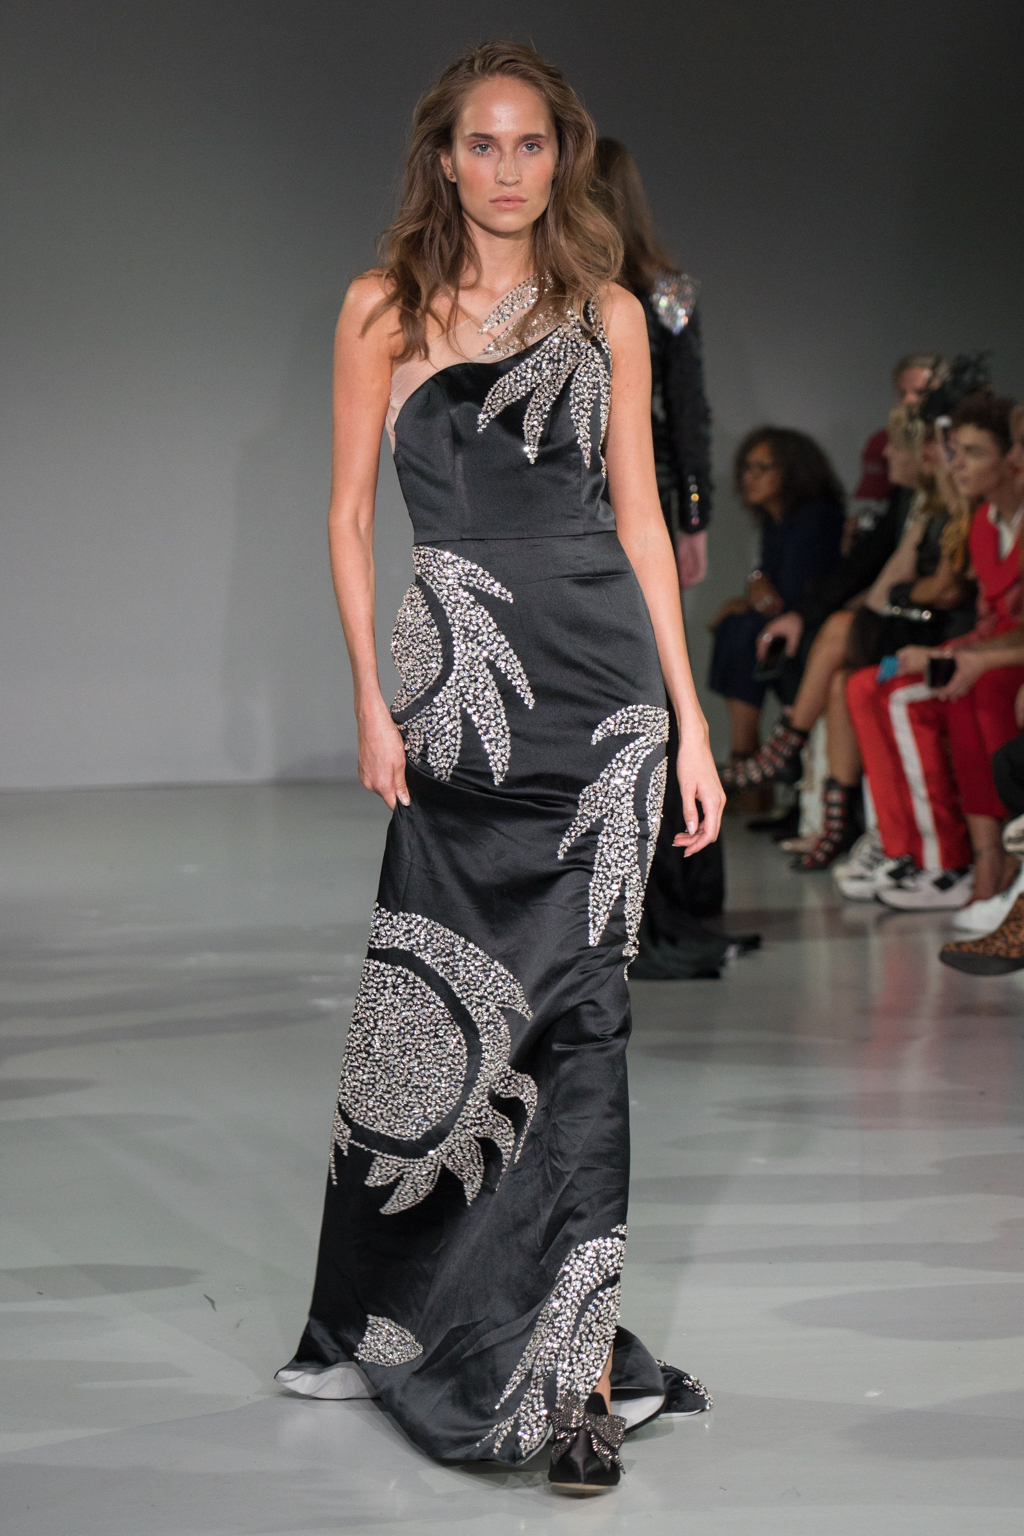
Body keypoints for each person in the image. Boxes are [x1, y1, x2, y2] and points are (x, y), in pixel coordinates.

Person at [275, 42, 722, 1495]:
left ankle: (576, 1383)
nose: (510, 168)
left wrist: (690, 720)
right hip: (459, 698)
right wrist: (369, 697)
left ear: (562, 157)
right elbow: (348, 517)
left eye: (533, 144)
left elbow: (642, 523)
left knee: (584, 1024)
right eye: (485, 143)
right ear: (444, 157)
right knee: (430, 1002)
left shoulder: (609, 313)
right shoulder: (380, 308)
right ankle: (375, 1312)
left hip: (603, 699)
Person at [592, 137, 735, 978]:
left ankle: (633, 897)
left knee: (622, 690)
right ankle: (664, 892)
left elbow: (681, 408)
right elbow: (689, 413)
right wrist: (694, 519)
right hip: (639, 503)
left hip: (591, 503)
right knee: (651, 687)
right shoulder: (665, 289)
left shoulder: (610, 293)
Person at [723, 408, 974, 870]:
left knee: (837, 630)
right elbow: (887, 577)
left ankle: (784, 749)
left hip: (948, 634)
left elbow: (946, 587)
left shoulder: (946, 507)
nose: (889, 455)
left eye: (896, 446)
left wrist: (895, 596)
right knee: (843, 682)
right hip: (917, 624)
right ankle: (837, 822)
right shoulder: (919, 506)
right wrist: (896, 595)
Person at [845, 391, 1024, 916]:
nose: (955, 463)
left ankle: (961, 860)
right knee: (868, 683)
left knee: (968, 688)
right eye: (954, 450)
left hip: (1003, 664)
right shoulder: (986, 521)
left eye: (973, 452)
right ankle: (913, 848)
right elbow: (992, 621)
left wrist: (962, 657)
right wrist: (947, 652)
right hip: (992, 651)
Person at [709, 429, 845, 764]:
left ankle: (744, 755)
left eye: (762, 468)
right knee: (733, 624)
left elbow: (789, 595)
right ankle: (746, 755)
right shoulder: (776, 522)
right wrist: (752, 589)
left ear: (792, 471)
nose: (749, 477)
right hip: (790, 618)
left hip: (812, 622)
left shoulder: (816, 516)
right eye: (747, 468)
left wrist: (755, 594)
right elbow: (766, 585)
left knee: (743, 631)